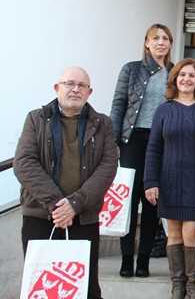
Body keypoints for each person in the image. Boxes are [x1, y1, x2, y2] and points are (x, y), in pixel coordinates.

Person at [14, 66, 118, 299]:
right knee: (42, 286)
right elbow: (24, 163)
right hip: (40, 216)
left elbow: (108, 166)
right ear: (56, 88)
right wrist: (58, 205)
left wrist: (75, 203)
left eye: (82, 85)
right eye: (69, 83)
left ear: (89, 92)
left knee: (86, 287)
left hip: (84, 217)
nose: (75, 89)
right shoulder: (36, 119)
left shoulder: (102, 124)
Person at [144, 58, 195, 299]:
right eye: (182, 75)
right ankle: (177, 285)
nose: (186, 79)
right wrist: (151, 182)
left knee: (191, 231)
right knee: (174, 233)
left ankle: (193, 283)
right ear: (175, 79)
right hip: (170, 179)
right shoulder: (164, 110)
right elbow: (153, 148)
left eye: (191, 75)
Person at [110, 23, 174, 278]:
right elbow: (119, 104)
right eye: (155, 38)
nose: (161, 42)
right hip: (133, 139)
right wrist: (113, 141)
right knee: (129, 200)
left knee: (152, 202)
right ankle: (127, 259)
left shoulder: (174, 72)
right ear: (147, 43)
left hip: (162, 142)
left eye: (165, 38)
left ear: (170, 44)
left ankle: (144, 261)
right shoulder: (132, 69)